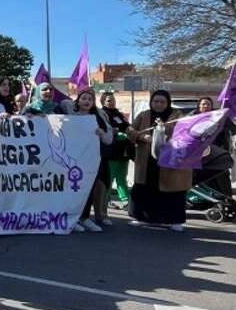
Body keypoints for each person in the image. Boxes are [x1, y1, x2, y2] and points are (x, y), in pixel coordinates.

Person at [127, 90, 190, 231]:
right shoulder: (144, 115)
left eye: (162, 102)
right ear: (151, 102)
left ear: (168, 103)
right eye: (156, 101)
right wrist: (141, 137)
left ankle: (174, 220)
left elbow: (184, 133)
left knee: (172, 190)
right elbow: (130, 130)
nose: (159, 104)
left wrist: (164, 129)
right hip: (147, 160)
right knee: (146, 189)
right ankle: (143, 217)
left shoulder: (177, 116)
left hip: (169, 161)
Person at [69, 89, 113, 232]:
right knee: (75, 190)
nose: (87, 101)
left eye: (90, 99)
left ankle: (85, 218)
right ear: (78, 100)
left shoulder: (99, 118)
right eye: (84, 98)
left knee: (89, 188)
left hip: (93, 161)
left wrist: (102, 134)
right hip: (75, 161)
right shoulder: (70, 117)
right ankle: (73, 218)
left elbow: (108, 140)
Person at [100, 92, 133, 205]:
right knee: (110, 176)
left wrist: (129, 130)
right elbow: (102, 130)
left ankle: (125, 199)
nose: (112, 102)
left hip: (123, 150)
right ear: (103, 101)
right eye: (109, 100)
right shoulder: (101, 114)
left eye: (113, 100)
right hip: (111, 150)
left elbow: (126, 126)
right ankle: (106, 199)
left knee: (122, 176)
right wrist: (113, 132)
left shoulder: (118, 114)